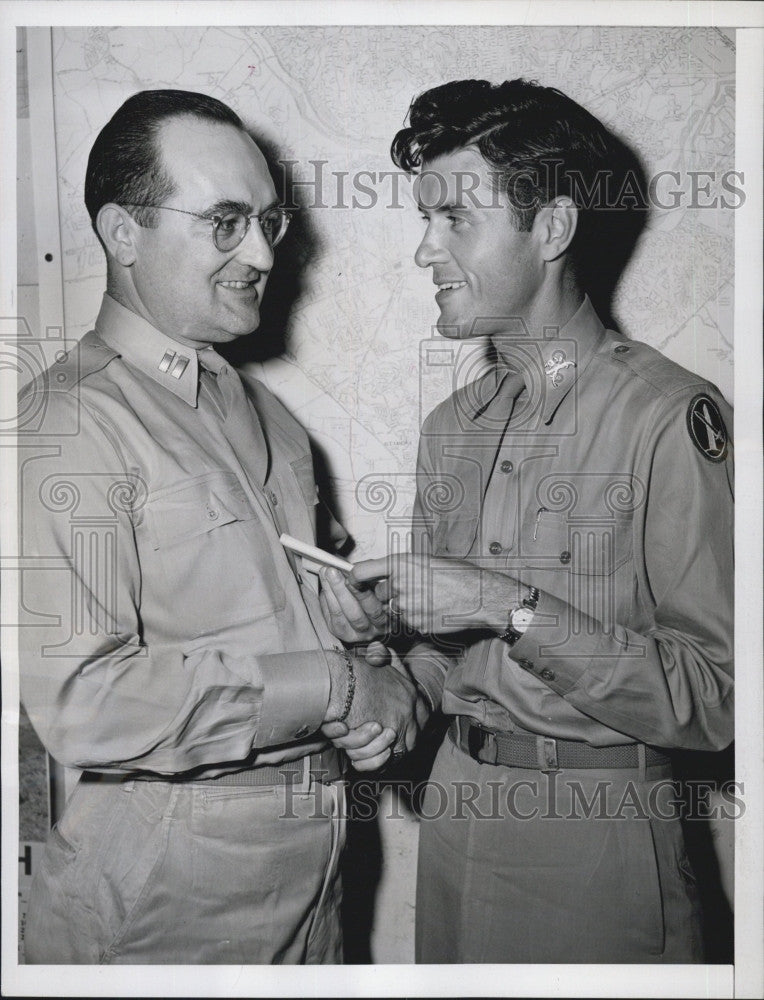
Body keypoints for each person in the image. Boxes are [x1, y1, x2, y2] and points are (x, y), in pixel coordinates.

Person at [320, 78, 734, 963]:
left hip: (599, 842)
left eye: (455, 219)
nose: (424, 250)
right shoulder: (451, 429)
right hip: (456, 812)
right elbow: (444, 654)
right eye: (422, 220)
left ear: (550, 228)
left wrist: (507, 603)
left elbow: (718, 700)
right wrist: (395, 669)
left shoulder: (667, 416)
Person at [18, 88, 421, 965]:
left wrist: (371, 648)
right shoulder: (67, 424)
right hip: (163, 897)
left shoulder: (267, 415)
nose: (266, 252)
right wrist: (335, 688)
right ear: (124, 234)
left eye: (270, 222)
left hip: (315, 870)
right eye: (228, 221)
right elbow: (84, 702)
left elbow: (310, 609)